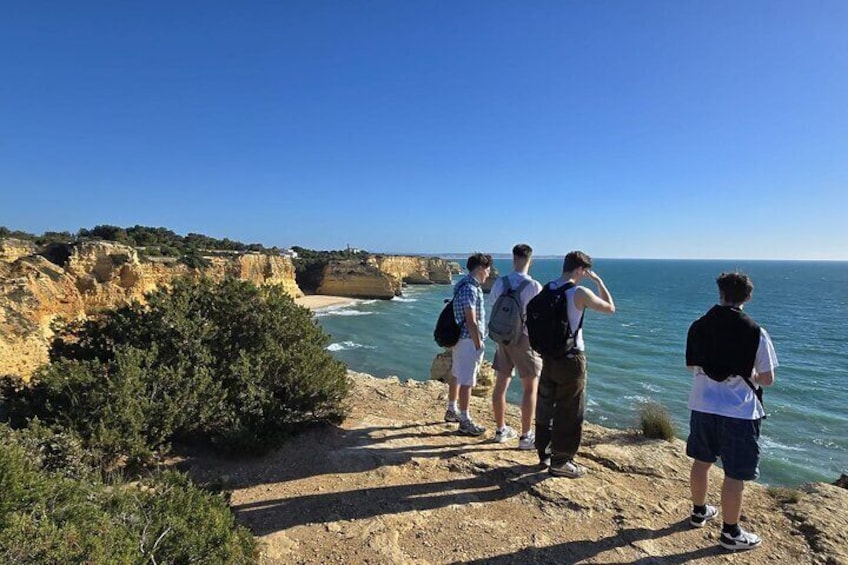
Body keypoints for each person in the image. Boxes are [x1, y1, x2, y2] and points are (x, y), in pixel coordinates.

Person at [685, 272, 778, 551]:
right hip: (739, 410)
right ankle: (730, 533)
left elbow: (691, 366)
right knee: (734, 473)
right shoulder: (755, 331)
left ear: (720, 292)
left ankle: (699, 511)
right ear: (747, 297)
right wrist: (748, 372)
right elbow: (767, 378)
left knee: (701, 461)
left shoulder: (698, 326)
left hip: (702, 404)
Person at [535, 251, 615, 478]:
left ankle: (544, 452)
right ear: (581, 270)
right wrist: (599, 282)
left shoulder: (548, 288)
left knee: (546, 405)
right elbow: (610, 308)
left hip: (548, 357)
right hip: (571, 359)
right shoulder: (579, 292)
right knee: (570, 409)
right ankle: (561, 461)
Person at [489, 243, 543, 448]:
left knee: (501, 384)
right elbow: (538, 317)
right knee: (530, 387)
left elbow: (492, 306)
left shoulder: (500, 283)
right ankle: (526, 436)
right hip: (524, 339)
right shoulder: (534, 286)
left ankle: (500, 430)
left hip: (502, 338)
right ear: (531, 260)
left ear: (513, 259)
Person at [445, 252, 493, 436]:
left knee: (457, 374)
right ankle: (464, 421)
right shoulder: (470, 289)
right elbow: (471, 320)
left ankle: (451, 410)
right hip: (468, 340)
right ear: (481, 268)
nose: (488, 274)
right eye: (487, 269)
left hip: (462, 339)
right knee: (467, 380)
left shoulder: (464, 286)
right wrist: (478, 343)